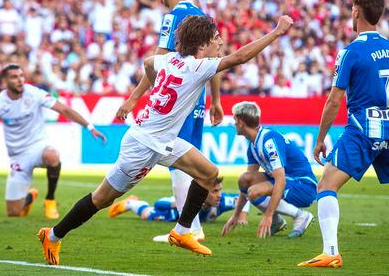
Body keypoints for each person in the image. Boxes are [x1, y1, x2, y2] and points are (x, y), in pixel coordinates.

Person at [37, 14, 293, 265]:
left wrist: (144, 97)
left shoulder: (168, 60)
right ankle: (52, 235)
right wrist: (277, 32)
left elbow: (149, 64)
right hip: (144, 145)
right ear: (202, 45)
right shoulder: (197, 67)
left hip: (164, 139)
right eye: (216, 39)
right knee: (102, 198)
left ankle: (182, 232)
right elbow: (240, 57)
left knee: (208, 173)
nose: (220, 43)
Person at [116, 0, 223, 242]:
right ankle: (190, 226)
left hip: (176, 101)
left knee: (179, 162)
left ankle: (190, 229)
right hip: (197, 99)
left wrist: (133, 98)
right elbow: (215, 62)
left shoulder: (172, 18)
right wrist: (216, 100)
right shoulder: (204, 16)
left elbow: (158, 63)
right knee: (190, 160)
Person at [299, 0, 389, 268]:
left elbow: (334, 99)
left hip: (363, 128)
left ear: (356, 12)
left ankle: (331, 251)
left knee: (326, 184)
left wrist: (320, 139)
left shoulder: (350, 51)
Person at [0, 64, 106, 218]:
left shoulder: (33, 93)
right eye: (14, 77)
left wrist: (89, 127)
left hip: (39, 146)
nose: (20, 80)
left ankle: (50, 199)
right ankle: (30, 197)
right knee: (13, 213)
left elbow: (64, 109)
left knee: (53, 156)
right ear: (4, 81)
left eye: (21, 76)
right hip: (18, 156)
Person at [221, 102, 316, 239]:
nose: (233, 123)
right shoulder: (253, 145)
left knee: (254, 192)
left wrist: (268, 215)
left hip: (303, 186)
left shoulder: (268, 141)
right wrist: (236, 215)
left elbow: (280, 179)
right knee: (245, 179)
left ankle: (301, 216)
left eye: (235, 120)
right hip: (289, 181)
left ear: (241, 122)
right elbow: (247, 182)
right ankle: (277, 222)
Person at [108, 177, 250, 225]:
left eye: (219, 190)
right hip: (173, 215)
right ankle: (131, 202)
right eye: (215, 191)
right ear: (203, 192)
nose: (219, 195)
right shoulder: (189, 200)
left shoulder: (223, 201)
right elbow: (159, 203)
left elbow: (245, 197)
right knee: (149, 214)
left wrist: (241, 217)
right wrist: (176, 204)